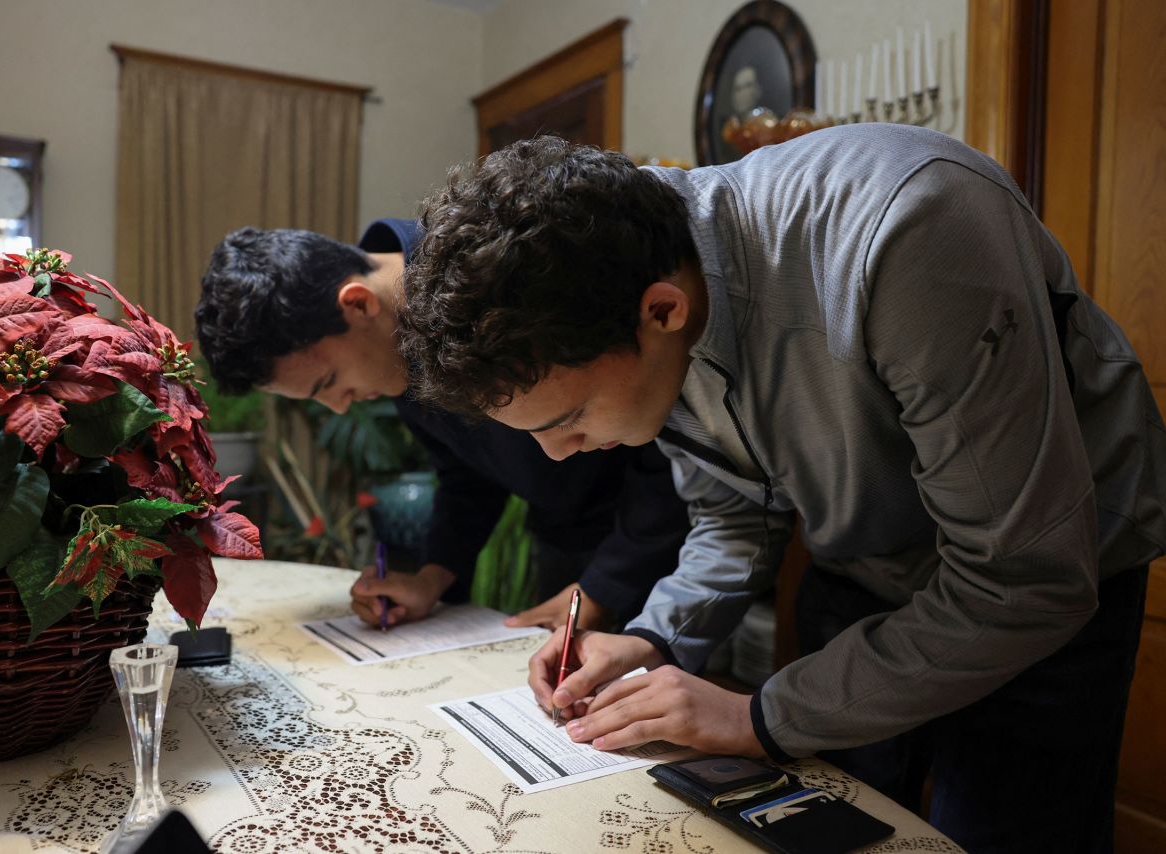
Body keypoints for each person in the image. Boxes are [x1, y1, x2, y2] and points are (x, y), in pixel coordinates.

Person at [396, 128, 1166, 852]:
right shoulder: (635, 288)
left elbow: (1020, 580)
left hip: (1046, 585)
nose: (557, 457)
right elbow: (734, 509)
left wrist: (761, 714)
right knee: (844, 830)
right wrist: (655, 636)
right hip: (866, 574)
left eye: (567, 420)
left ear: (662, 311)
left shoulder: (910, 230)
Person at [194, 219, 689, 634]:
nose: (340, 408)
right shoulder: (395, 348)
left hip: (675, 533)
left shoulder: (485, 274)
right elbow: (466, 476)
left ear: (359, 303)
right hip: (568, 549)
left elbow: (662, 426)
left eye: (330, 381)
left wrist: (607, 587)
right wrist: (432, 577)